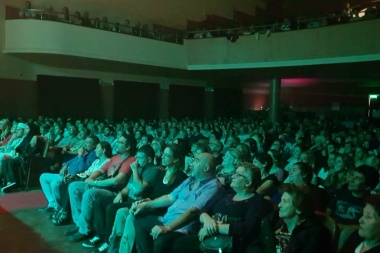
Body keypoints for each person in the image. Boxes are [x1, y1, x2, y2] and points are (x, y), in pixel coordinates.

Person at [130, 152, 222, 253]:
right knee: (139, 218)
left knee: (161, 240)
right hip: (165, 220)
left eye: (196, 161)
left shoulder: (213, 186)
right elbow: (169, 198)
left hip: (181, 228)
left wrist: (167, 228)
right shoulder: (190, 180)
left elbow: (193, 211)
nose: (191, 163)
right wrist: (145, 205)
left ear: (206, 168)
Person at [170, 162, 272, 253]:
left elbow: (248, 229)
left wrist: (215, 228)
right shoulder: (226, 193)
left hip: (232, 243)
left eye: (238, 175)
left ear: (248, 182)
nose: (233, 176)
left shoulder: (257, 201)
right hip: (209, 235)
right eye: (234, 173)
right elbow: (203, 210)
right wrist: (207, 221)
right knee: (179, 244)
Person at [107, 144, 188, 253]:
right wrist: (144, 201)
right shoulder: (161, 172)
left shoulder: (180, 177)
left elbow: (170, 201)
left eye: (167, 155)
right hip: (152, 206)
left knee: (132, 217)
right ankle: (113, 248)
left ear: (176, 159)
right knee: (122, 212)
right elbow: (153, 195)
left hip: (162, 212)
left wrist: (146, 205)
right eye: (163, 154)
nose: (162, 157)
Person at [82, 145, 159, 252]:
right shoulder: (139, 167)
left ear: (149, 159)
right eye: (137, 157)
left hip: (137, 202)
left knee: (112, 208)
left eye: (140, 158)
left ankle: (108, 243)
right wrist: (121, 194)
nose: (137, 160)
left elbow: (138, 190)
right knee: (99, 202)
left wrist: (135, 171)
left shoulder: (153, 170)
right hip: (128, 197)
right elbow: (128, 187)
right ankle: (100, 235)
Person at [65, 134, 136, 242]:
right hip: (104, 186)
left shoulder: (130, 160)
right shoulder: (115, 157)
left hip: (115, 191)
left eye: (121, 142)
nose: (117, 143)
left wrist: (95, 183)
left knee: (89, 193)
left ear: (128, 147)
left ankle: (84, 230)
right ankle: (79, 223)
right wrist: (91, 178)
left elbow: (116, 180)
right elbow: (100, 171)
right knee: (74, 186)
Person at [38, 135, 99, 213]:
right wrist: (64, 166)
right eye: (85, 142)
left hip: (71, 177)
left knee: (54, 183)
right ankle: (52, 203)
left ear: (94, 145)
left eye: (88, 142)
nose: (85, 144)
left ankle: (59, 208)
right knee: (43, 177)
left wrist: (80, 156)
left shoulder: (93, 155)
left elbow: (82, 168)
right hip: (65, 172)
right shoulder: (85, 151)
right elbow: (69, 161)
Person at [274, 184, 334, 253]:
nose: (279, 205)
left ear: (299, 209)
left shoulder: (315, 234)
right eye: (281, 201)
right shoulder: (277, 224)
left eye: (284, 202)